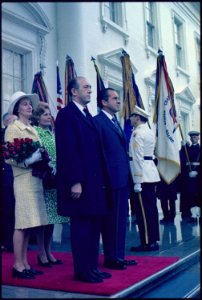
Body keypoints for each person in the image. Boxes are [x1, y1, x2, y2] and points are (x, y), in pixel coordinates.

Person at [55, 77, 111, 283]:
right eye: (86, 87)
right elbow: (68, 150)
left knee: (94, 226)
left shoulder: (87, 114)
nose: (90, 90)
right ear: (73, 92)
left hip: (95, 182)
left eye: (90, 87)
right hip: (80, 182)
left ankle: (92, 267)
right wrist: (75, 181)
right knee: (82, 228)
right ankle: (82, 271)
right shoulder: (66, 115)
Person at [5, 91, 48, 279]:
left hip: (35, 179)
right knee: (22, 224)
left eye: (29, 104)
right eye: (24, 104)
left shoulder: (31, 127)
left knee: (29, 224)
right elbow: (10, 157)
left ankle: (26, 263)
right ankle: (17, 265)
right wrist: (30, 160)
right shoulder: (13, 128)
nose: (29, 106)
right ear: (17, 108)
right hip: (23, 179)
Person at [94, 88, 137, 270]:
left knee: (121, 219)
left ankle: (119, 255)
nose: (118, 101)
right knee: (111, 220)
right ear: (104, 102)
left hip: (122, 178)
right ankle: (111, 257)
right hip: (110, 180)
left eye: (119, 98)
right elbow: (99, 152)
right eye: (114, 98)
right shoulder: (98, 122)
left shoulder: (114, 121)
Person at [31, 102, 69, 267]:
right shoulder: (36, 132)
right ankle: (41, 254)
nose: (48, 117)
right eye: (44, 114)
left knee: (53, 218)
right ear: (38, 118)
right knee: (44, 219)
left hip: (56, 179)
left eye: (49, 114)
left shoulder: (52, 133)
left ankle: (49, 251)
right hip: (43, 178)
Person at [129, 106, 160, 251]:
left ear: (137, 117)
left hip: (142, 176)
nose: (130, 118)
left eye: (132, 116)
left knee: (143, 211)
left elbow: (137, 158)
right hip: (151, 173)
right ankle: (153, 239)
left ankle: (147, 242)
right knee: (151, 209)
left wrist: (137, 180)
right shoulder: (149, 132)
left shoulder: (137, 133)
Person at [1, 113, 17, 252]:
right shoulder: (3, 135)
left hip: (17, 176)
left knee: (15, 211)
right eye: (13, 121)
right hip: (5, 177)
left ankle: (15, 241)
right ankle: (7, 241)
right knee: (7, 209)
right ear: (6, 123)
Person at [179, 131, 200, 223]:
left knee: (198, 196)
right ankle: (188, 215)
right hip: (188, 178)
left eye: (195, 137)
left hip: (199, 178)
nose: (193, 138)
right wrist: (182, 148)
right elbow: (182, 161)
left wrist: (198, 172)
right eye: (192, 137)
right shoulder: (187, 149)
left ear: (198, 138)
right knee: (188, 197)